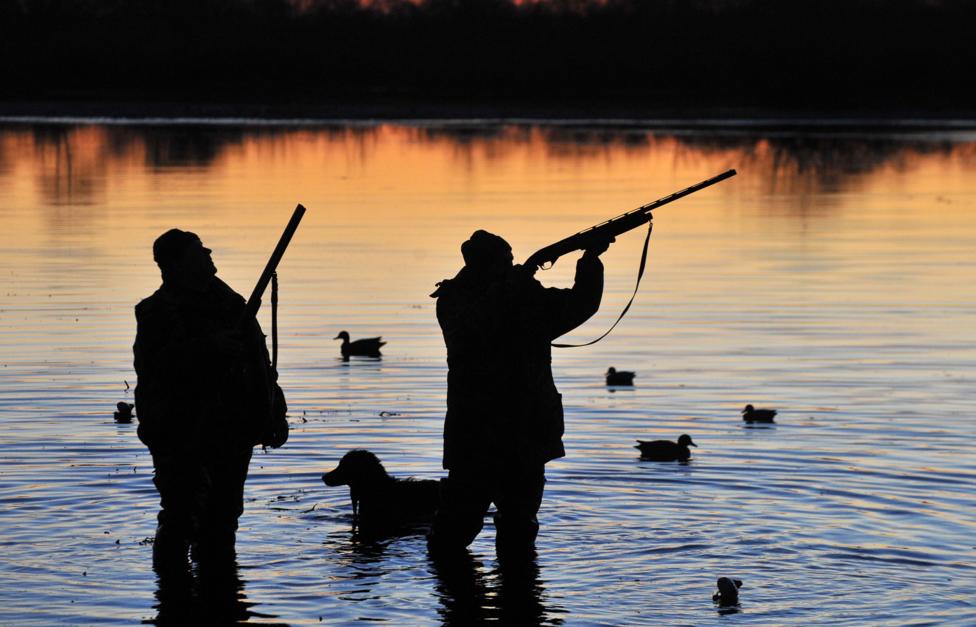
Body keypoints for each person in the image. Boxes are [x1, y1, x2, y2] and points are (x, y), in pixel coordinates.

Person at [428, 229, 609, 558]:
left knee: (518, 528)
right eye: (508, 262)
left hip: (522, 431)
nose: (515, 267)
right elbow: (474, 329)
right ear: (488, 265)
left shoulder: (524, 297)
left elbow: (578, 305)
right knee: (455, 529)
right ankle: (456, 596)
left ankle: (507, 600)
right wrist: (513, 285)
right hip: (478, 434)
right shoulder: (455, 301)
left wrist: (591, 261)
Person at [133, 229, 288, 567]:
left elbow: (261, 365)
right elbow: (157, 368)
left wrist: (275, 412)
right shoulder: (155, 312)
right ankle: (171, 598)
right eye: (198, 250)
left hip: (231, 431)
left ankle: (221, 597)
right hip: (181, 433)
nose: (208, 252)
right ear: (175, 265)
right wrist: (210, 348)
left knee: (223, 520)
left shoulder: (231, 304)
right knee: (180, 516)